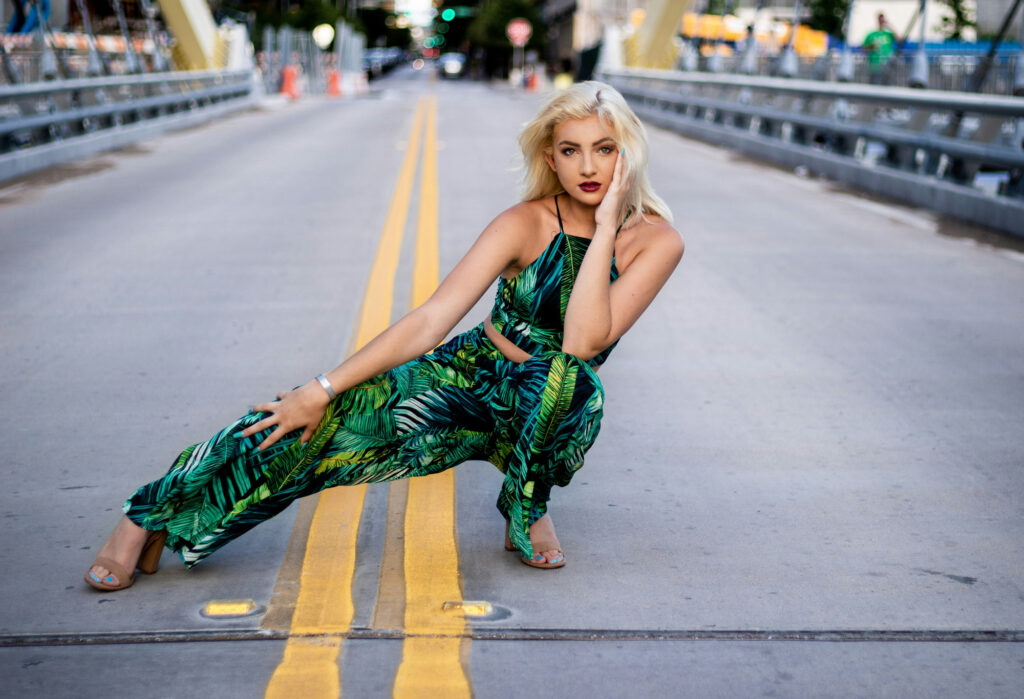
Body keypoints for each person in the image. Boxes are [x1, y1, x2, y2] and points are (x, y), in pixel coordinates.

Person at [85, 81, 684, 591]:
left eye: (604, 150)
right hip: (471, 377)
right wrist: (322, 389)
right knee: (313, 425)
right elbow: (430, 319)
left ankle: (526, 504)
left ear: (626, 154)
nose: (588, 168)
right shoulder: (523, 223)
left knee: (570, 382)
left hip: (548, 403)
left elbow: (582, 343)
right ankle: (147, 516)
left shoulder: (656, 241)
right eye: (571, 151)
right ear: (550, 158)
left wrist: (606, 225)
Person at [862, 12, 897, 84]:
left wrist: (889, 26)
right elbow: (863, 48)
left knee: (886, 84)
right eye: (880, 20)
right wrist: (871, 46)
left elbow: (900, 39)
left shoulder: (888, 34)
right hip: (874, 64)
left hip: (887, 64)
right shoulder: (871, 34)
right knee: (874, 83)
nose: (881, 22)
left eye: (883, 20)